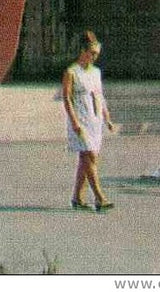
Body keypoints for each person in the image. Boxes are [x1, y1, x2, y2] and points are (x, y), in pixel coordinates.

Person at [64, 30, 117, 211]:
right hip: (80, 120)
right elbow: (67, 99)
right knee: (90, 156)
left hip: (95, 120)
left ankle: (77, 198)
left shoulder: (95, 72)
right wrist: (74, 122)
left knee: (86, 158)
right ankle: (100, 198)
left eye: (96, 54)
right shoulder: (72, 72)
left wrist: (107, 118)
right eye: (92, 53)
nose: (94, 57)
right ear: (83, 51)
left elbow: (100, 96)